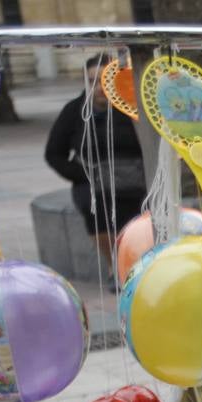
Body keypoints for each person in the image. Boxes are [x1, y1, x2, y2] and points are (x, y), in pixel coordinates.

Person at [44, 56, 146, 267]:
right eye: (92, 81)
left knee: (134, 220)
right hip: (93, 184)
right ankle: (115, 265)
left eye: (104, 80)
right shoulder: (75, 110)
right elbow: (54, 153)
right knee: (96, 211)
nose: (99, 87)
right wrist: (83, 174)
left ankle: (135, 263)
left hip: (134, 180)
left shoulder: (133, 107)